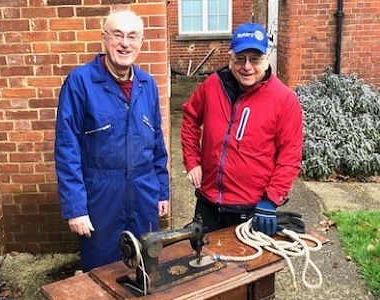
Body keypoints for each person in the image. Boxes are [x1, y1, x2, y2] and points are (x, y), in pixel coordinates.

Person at [55, 9, 170, 271]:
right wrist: (75, 208)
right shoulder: (80, 83)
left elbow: (157, 142)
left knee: (146, 264)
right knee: (102, 271)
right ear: (104, 38)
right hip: (101, 198)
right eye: (117, 35)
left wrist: (162, 190)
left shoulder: (147, 84)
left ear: (141, 42)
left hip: (143, 194)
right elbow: (67, 147)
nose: (125, 43)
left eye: (132, 36)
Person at [181, 22, 303, 235]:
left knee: (250, 268)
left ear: (266, 59)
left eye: (255, 59)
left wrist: (271, 199)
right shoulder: (212, 85)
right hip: (208, 203)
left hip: (252, 209)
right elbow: (190, 117)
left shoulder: (285, 99)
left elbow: (290, 155)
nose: (247, 66)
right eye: (240, 58)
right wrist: (192, 161)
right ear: (230, 58)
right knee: (206, 266)